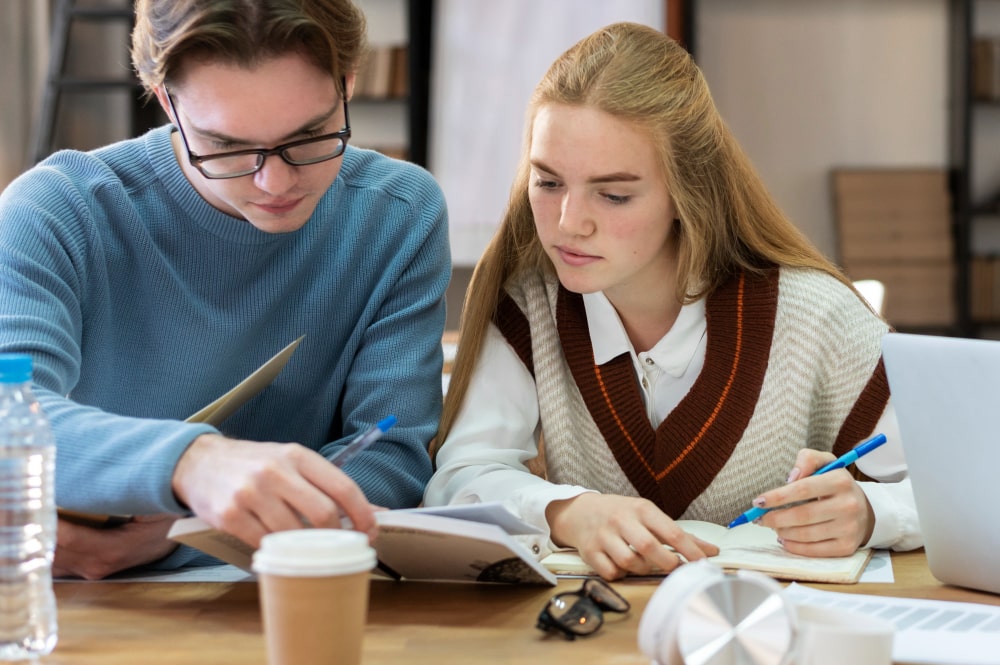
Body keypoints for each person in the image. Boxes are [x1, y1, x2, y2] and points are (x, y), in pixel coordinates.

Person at [424, 22, 920, 581]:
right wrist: (569, 512)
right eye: (548, 182)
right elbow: (460, 476)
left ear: (687, 192)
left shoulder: (814, 313)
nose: (569, 224)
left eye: (613, 194)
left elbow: (971, 484)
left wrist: (871, 512)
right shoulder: (528, 302)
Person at [0, 0, 450, 579]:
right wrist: (193, 464)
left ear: (348, 84)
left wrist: (180, 537)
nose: (275, 182)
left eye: (309, 136)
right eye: (228, 146)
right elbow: (11, 416)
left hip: (273, 590)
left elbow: (390, 461)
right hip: (67, 602)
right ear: (166, 102)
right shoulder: (58, 209)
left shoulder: (398, 213)